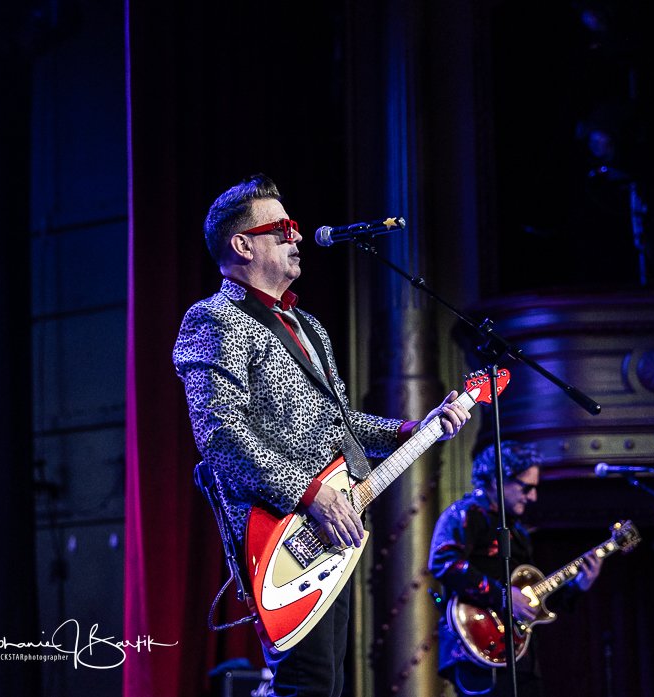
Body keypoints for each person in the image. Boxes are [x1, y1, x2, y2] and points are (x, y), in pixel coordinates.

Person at [172, 173, 471, 697]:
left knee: (326, 681)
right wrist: (310, 493)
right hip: (281, 529)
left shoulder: (308, 325)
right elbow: (220, 435)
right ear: (241, 245)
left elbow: (339, 422)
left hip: (332, 526)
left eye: (293, 225)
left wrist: (411, 430)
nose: (296, 236)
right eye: (281, 228)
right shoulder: (213, 319)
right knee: (306, 682)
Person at [428, 440, 602, 696]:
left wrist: (577, 586)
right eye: (526, 487)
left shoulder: (517, 529)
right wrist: (503, 596)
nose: (533, 497)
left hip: (520, 655)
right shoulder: (466, 514)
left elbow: (532, 599)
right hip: (477, 650)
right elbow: (444, 562)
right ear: (498, 480)